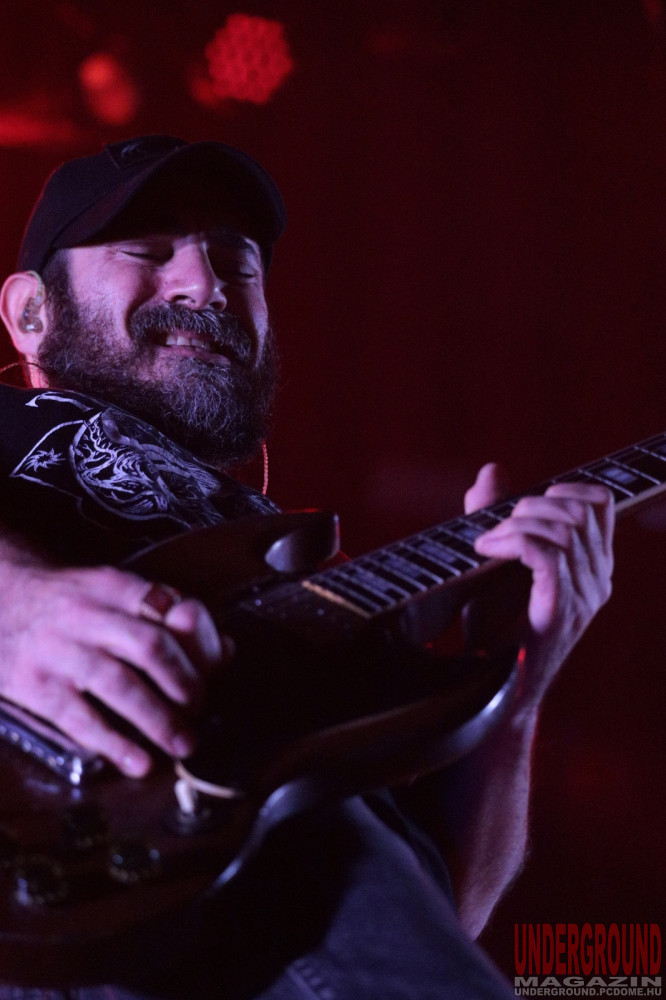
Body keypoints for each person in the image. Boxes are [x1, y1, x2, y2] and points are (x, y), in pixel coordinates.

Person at [0, 135, 614, 999]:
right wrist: (15, 601)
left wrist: (520, 673)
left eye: (237, 263)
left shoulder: (296, 565)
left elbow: (445, 916)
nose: (205, 284)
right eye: (147, 250)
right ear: (31, 312)